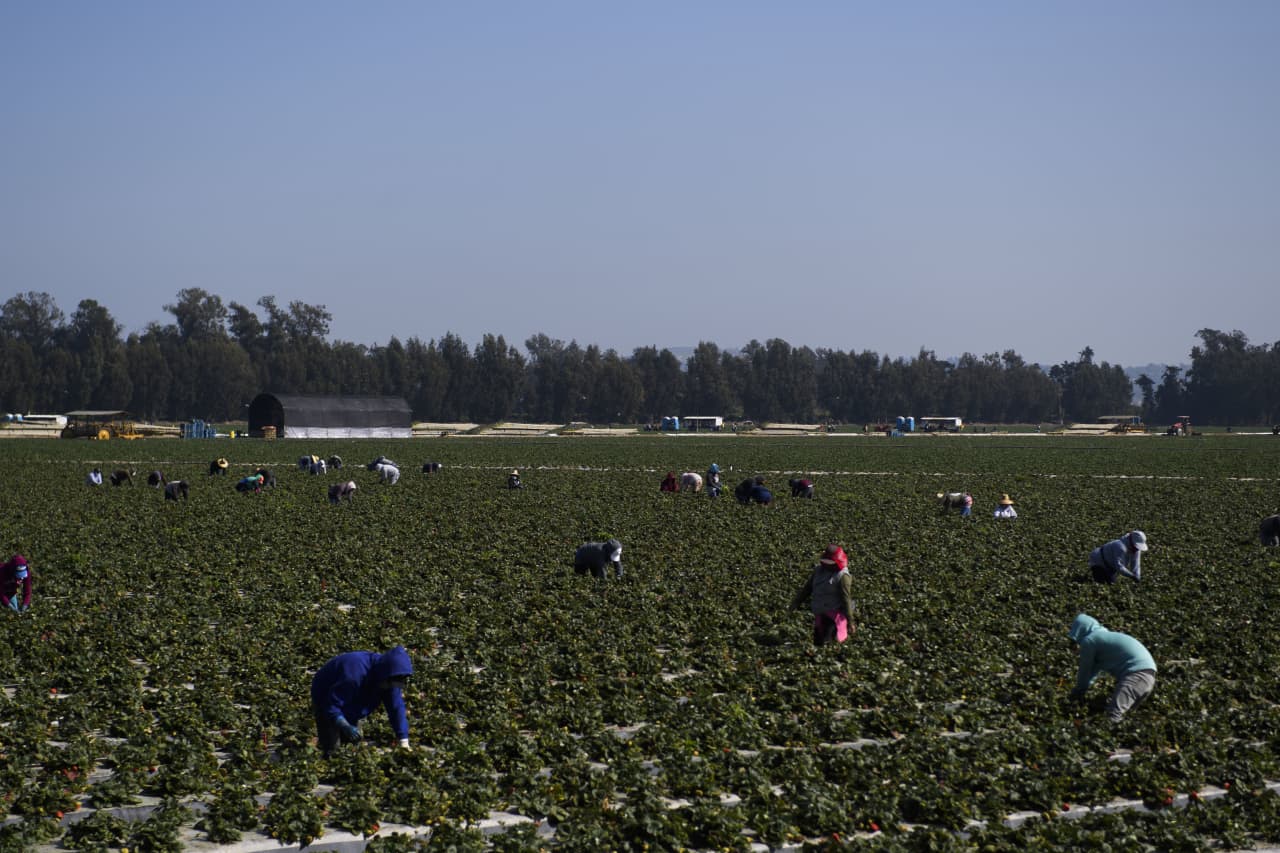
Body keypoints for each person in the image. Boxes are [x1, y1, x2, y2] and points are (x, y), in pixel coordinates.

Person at [310, 645, 413, 756]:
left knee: (352, 744)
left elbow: (396, 709)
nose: (391, 687)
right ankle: (328, 753)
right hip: (325, 691)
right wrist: (344, 724)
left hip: (356, 693)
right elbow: (331, 705)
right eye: (390, 684)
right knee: (332, 746)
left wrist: (403, 741)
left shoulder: (391, 677)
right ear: (384, 676)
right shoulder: (354, 674)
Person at [1067, 613, 1157, 723]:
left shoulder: (1090, 641)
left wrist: (1076, 694)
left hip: (1136, 675)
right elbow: (1093, 671)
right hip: (1148, 677)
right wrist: (1083, 687)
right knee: (1126, 719)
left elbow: (1085, 670)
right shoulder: (1104, 639)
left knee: (1113, 716)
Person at [792, 545, 855, 646]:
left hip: (834, 614)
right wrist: (795, 604)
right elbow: (807, 589)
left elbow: (846, 598)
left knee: (827, 641)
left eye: (831, 563)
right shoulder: (818, 571)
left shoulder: (843, 576)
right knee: (817, 641)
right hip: (819, 611)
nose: (828, 565)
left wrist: (850, 621)